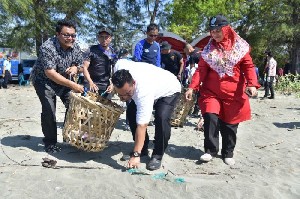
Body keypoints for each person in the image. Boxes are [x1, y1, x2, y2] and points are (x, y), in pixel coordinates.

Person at [185, 14, 260, 165]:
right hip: (211, 93)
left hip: (233, 94)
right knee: (210, 117)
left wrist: (252, 84)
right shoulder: (208, 49)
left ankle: (228, 152)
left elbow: (248, 66)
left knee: (229, 125)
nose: (215, 34)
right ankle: (210, 150)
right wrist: (192, 87)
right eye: (212, 31)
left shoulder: (240, 47)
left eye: (218, 30)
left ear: (226, 29)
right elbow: (200, 70)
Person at [112, 59, 181, 170]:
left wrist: (135, 156)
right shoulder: (119, 67)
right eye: (120, 95)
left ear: (133, 83)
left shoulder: (143, 91)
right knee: (131, 113)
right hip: (154, 83)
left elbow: (142, 125)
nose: (123, 97)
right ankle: (142, 149)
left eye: (127, 93)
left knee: (161, 117)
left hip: (169, 88)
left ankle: (157, 155)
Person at [30, 19, 84, 153]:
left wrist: (75, 68)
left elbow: (82, 66)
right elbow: (50, 73)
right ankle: (50, 142)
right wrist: (73, 85)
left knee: (74, 106)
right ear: (58, 34)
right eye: (66, 35)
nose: (70, 38)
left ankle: (68, 134)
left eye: (73, 35)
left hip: (64, 81)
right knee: (49, 110)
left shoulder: (75, 47)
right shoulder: (47, 47)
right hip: (44, 81)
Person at [82, 27, 116, 99]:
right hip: (91, 83)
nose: (104, 39)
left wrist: (113, 84)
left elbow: (115, 70)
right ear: (98, 38)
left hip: (105, 85)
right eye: (101, 37)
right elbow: (84, 67)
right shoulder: (91, 50)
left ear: (110, 38)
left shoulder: (113, 52)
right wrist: (90, 82)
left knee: (105, 107)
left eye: (106, 37)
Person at [184, 44, 202, 116]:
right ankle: (197, 110)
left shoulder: (192, 55)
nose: (186, 54)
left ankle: (195, 110)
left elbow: (192, 68)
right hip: (206, 74)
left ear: (188, 49)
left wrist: (190, 79)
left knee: (197, 94)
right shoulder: (198, 51)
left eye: (186, 52)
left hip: (199, 75)